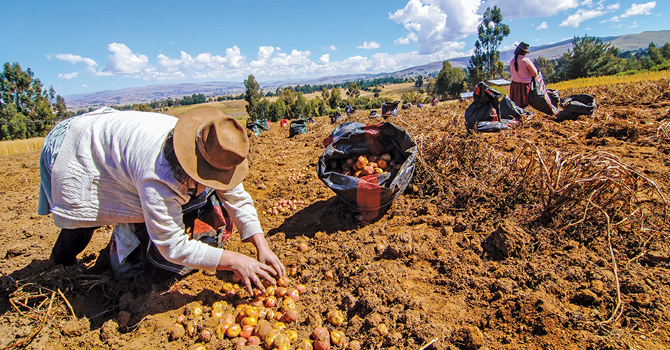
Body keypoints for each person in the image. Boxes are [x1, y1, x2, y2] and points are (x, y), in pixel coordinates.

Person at [38, 106, 286, 293]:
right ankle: (61, 265)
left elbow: (237, 197)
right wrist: (236, 261)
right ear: (193, 166)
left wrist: (261, 246)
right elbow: (172, 246)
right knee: (84, 220)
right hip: (77, 146)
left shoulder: (214, 148)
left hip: (116, 142)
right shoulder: (158, 174)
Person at [509, 42, 539, 109]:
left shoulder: (512, 61)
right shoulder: (526, 61)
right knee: (524, 105)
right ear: (524, 52)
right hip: (524, 86)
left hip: (514, 85)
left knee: (516, 105)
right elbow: (535, 73)